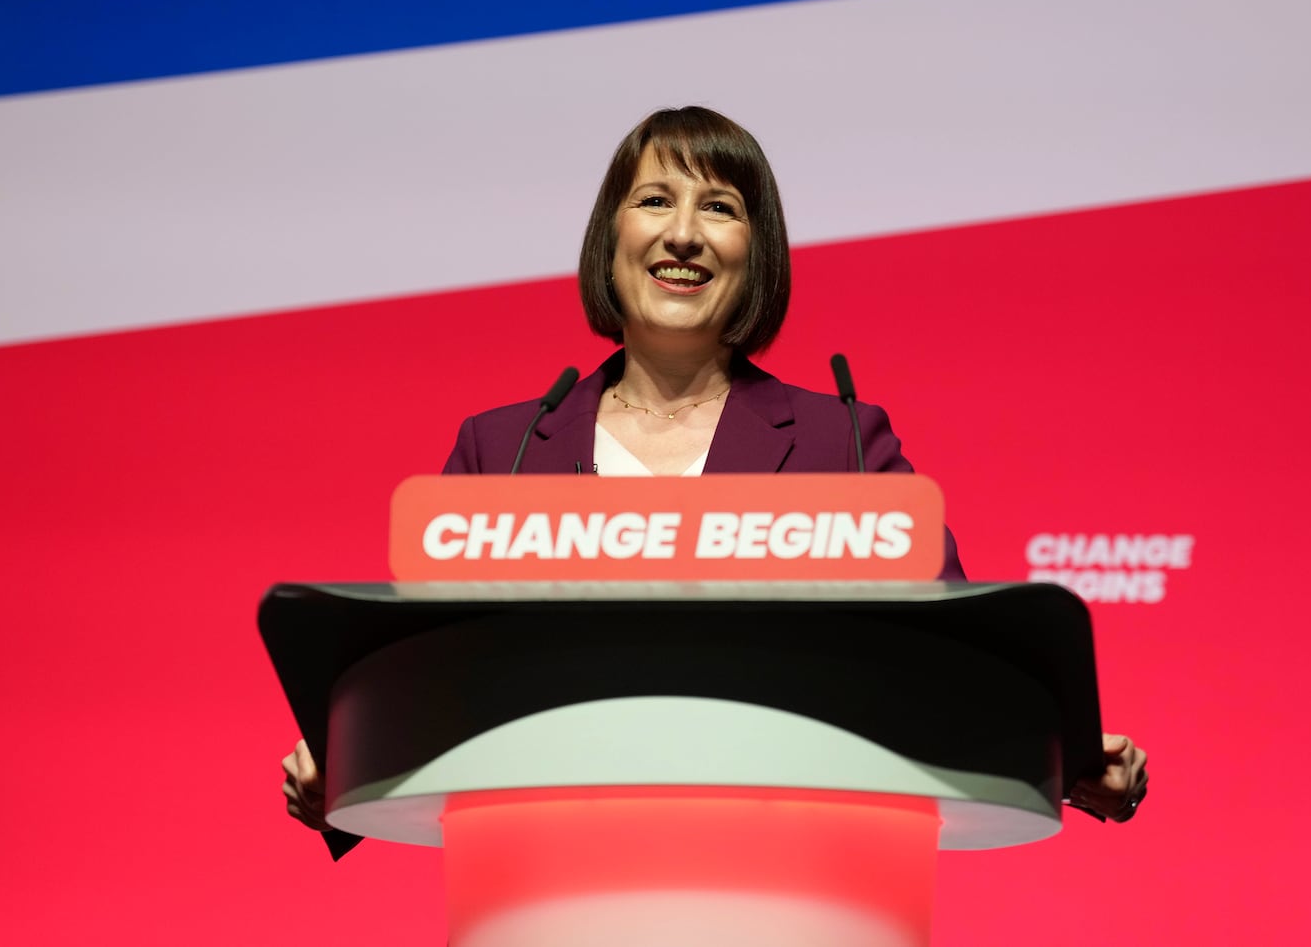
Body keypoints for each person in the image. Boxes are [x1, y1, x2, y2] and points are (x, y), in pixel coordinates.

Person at [282, 106, 1148, 846]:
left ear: (755, 250)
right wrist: (345, 764)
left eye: (720, 207)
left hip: (795, 875)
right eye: (654, 199)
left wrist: (1061, 752)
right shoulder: (504, 448)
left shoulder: (839, 439)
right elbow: (420, 681)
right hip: (547, 877)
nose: (684, 233)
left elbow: (961, 659)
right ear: (610, 237)